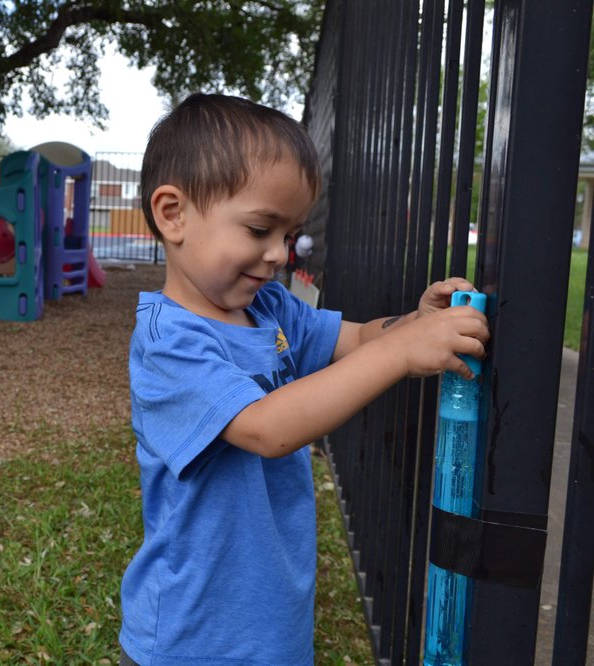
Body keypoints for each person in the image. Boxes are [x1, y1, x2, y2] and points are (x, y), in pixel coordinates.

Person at [118, 93, 489, 666]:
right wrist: (401, 356)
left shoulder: (269, 308)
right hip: (193, 632)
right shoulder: (169, 342)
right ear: (173, 214)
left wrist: (414, 323)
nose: (278, 255)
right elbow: (267, 429)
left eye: (288, 236)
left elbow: (360, 337)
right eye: (261, 229)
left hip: (268, 613)